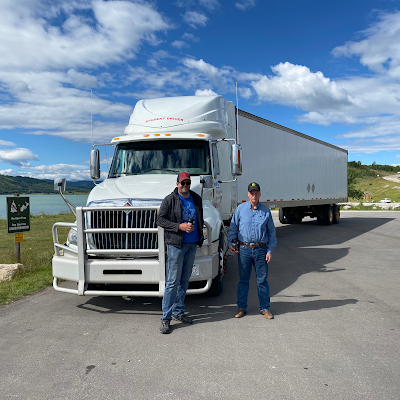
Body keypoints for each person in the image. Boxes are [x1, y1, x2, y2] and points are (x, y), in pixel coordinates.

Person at [156, 172, 204, 334]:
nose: (185, 185)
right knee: (172, 282)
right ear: (177, 183)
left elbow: (200, 218)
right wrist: (179, 227)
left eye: (188, 183)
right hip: (176, 245)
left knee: (184, 281)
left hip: (192, 245)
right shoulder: (170, 199)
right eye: (182, 183)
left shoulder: (196, 198)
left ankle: (179, 312)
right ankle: (166, 317)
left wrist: (200, 237)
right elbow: (160, 220)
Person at [228, 182, 277, 319]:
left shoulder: (265, 211)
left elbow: (271, 232)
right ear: (248, 194)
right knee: (243, 280)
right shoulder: (240, 209)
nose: (254, 195)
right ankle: (241, 307)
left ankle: (265, 308)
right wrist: (230, 243)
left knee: (262, 280)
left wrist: (270, 250)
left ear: (260, 194)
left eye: (256, 193)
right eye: (252, 193)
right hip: (244, 250)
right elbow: (233, 228)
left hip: (261, 250)